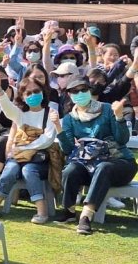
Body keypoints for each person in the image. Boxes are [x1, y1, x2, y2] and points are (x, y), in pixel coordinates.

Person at [55, 75, 136, 235]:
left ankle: (86, 216)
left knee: (103, 167)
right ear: (70, 95)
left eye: (83, 89)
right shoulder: (70, 118)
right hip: (88, 163)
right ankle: (69, 211)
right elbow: (69, 149)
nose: (80, 93)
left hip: (119, 162)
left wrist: (119, 117)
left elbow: (122, 139)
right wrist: (59, 128)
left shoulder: (107, 109)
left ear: (90, 91)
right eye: (75, 91)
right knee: (71, 169)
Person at [0, 76, 59, 223]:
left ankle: (42, 211)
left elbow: (48, 139)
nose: (33, 95)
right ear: (23, 96)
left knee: (29, 170)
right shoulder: (20, 114)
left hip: (40, 158)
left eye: (36, 91)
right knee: (10, 170)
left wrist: (24, 148)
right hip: (17, 156)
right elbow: (7, 108)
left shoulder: (50, 112)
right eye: (28, 93)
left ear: (43, 92)